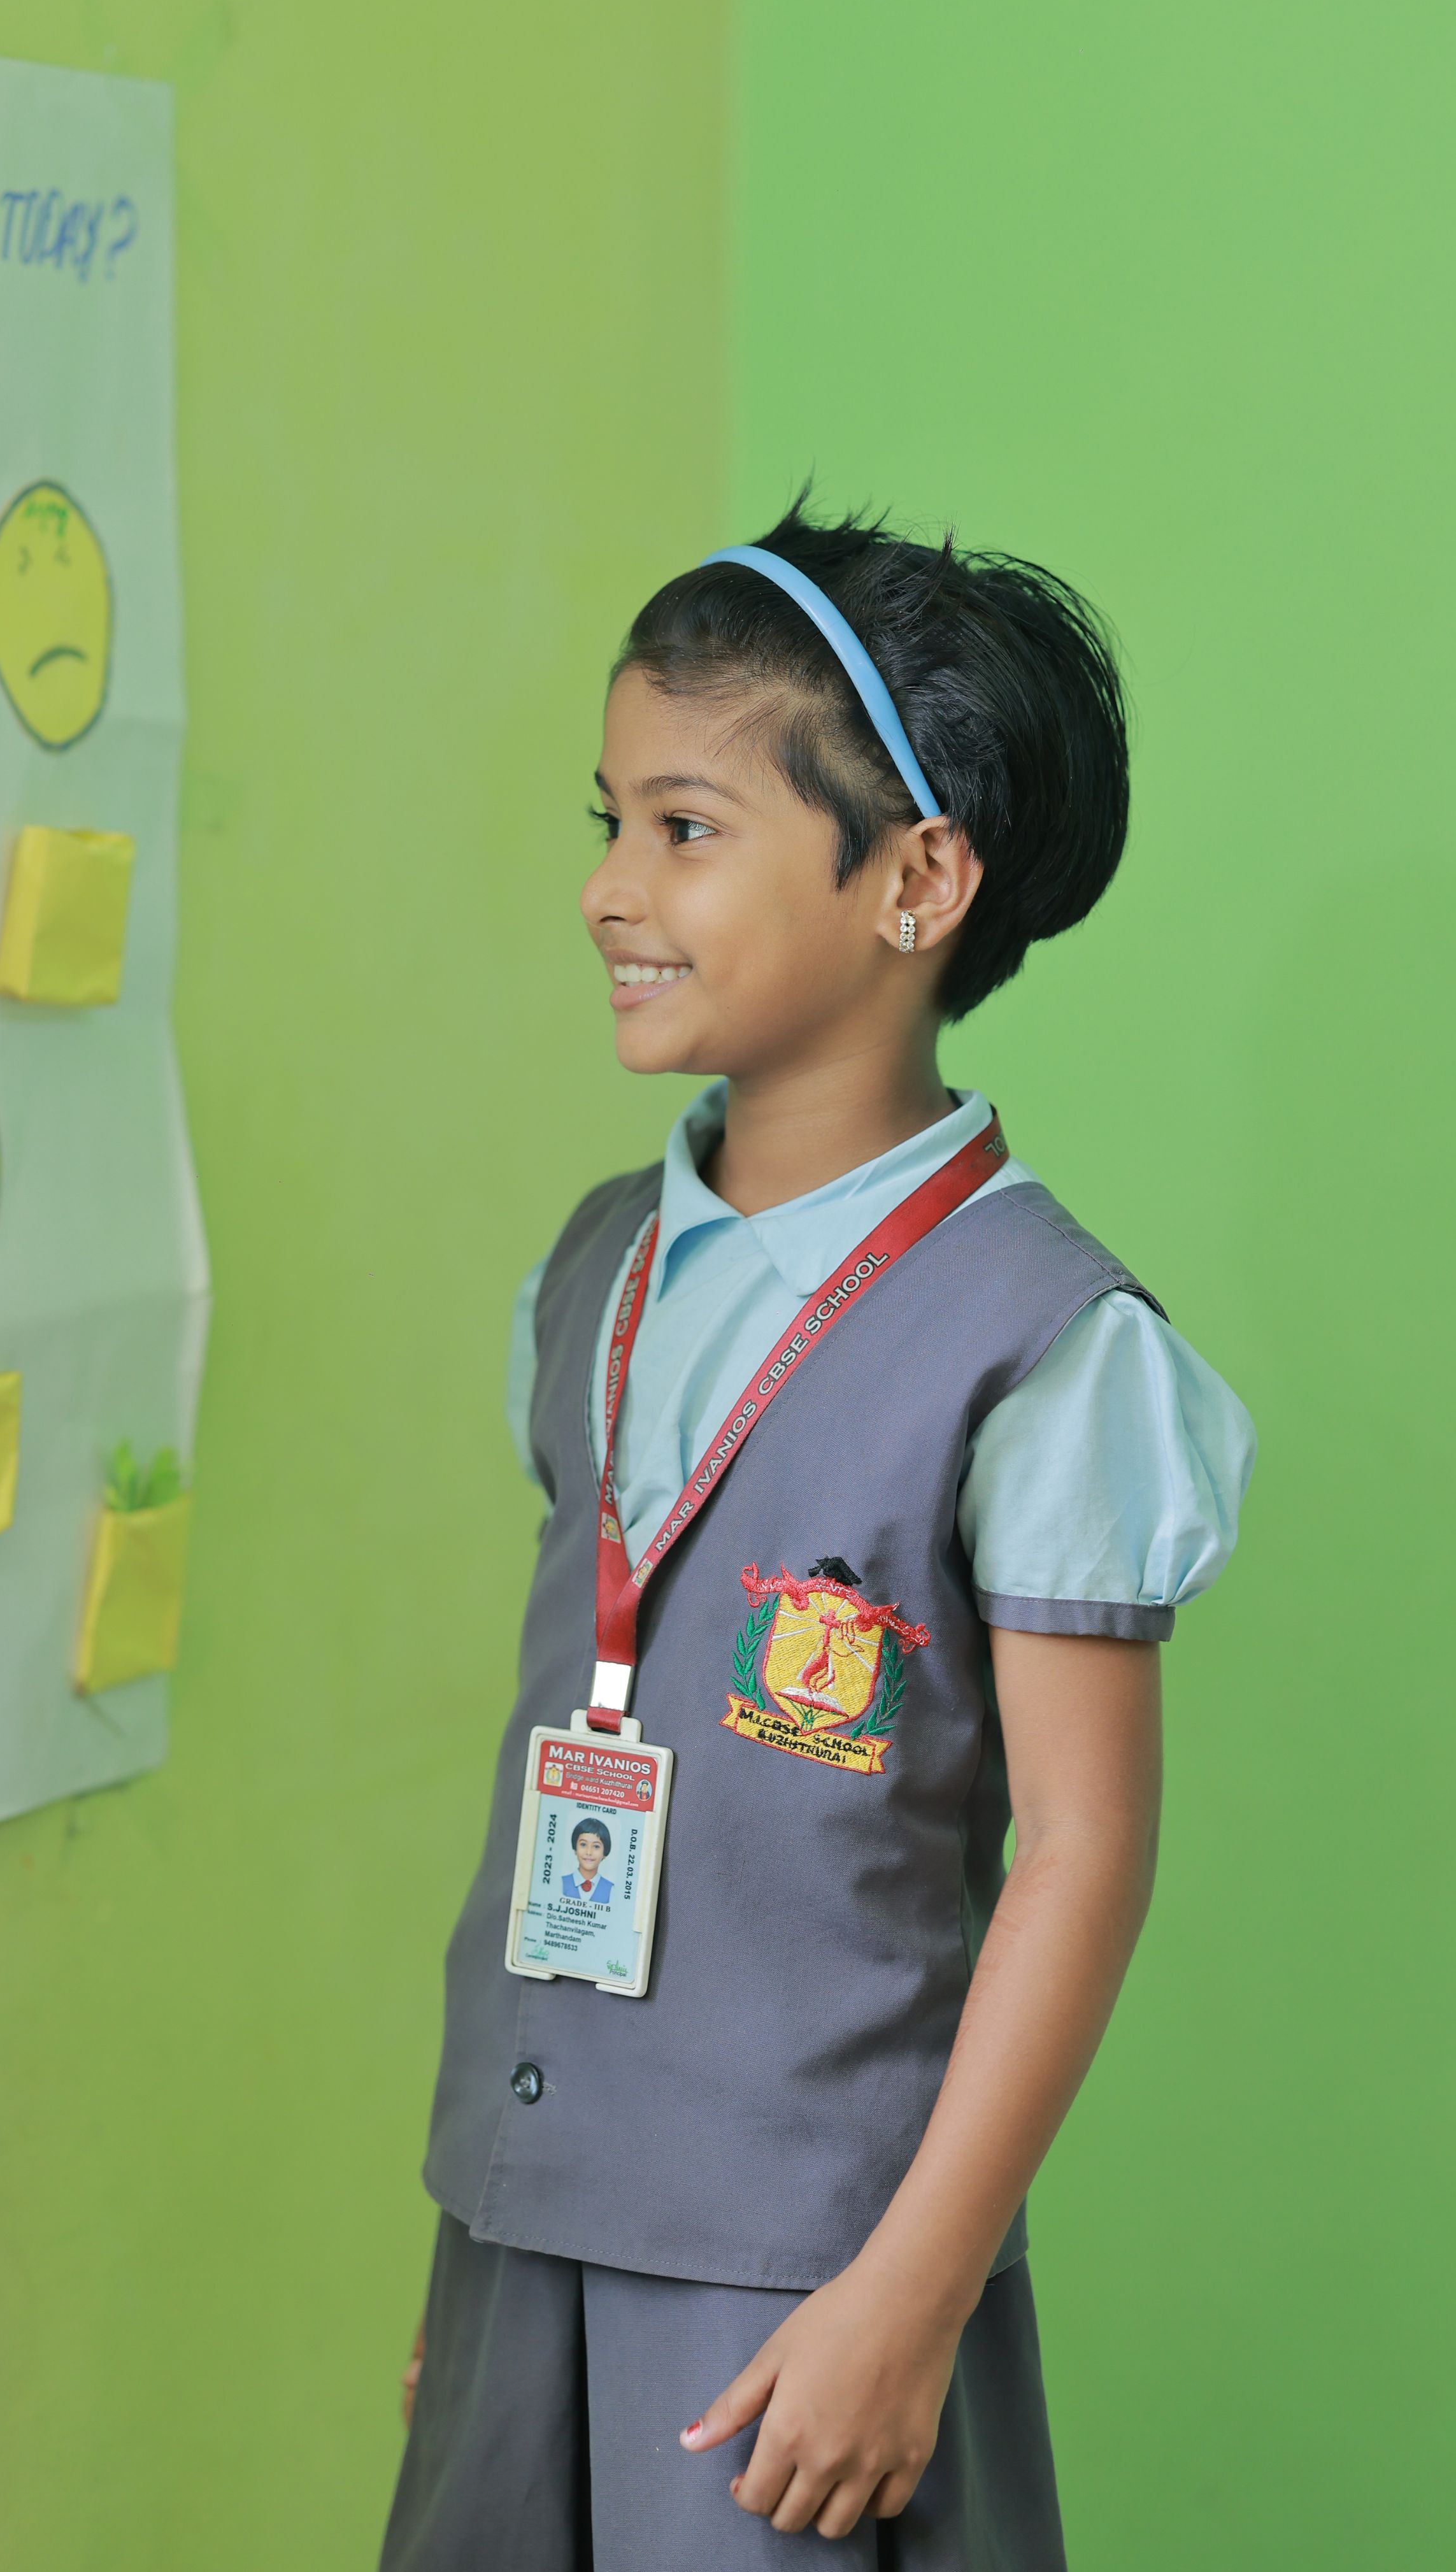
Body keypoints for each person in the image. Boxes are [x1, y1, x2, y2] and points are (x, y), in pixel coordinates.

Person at [383, 504, 1253, 2569]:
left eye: (685, 828)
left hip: (804, 2284)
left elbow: (1086, 1850)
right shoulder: (592, 1274)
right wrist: (485, 2263)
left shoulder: (1043, 1345)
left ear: (917, 880)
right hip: (522, 2216)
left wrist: (912, 2295)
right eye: (610, 820)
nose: (609, 887)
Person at [557, 1818, 613, 1903]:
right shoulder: (560, 1883)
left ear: (604, 1853)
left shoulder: (612, 1890)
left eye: (596, 1847)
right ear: (575, 1848)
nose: (589, 1852)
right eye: (583, 1845)